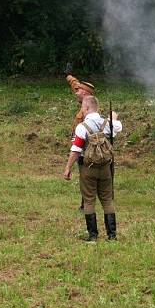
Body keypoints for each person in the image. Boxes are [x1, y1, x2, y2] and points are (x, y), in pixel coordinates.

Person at [63, 95, 122, 241]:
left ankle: (93, 236)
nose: (81, 109)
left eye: (82, 106)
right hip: (106, 168)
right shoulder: (107, 124)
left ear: (87, 108)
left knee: (89, 200)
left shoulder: (82, 127)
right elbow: (118, 127)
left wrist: (68, 168)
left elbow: (76, 149)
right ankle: (112, 235)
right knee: (107, 200)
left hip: (88, 168)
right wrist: (113, 117)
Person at [66, 74, 95, 210]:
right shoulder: (85, 101)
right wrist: (68, 76)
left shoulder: (88, 111)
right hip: (80, 147)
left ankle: (86, 204)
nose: (76, 93)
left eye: (78, 92)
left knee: (86, 177)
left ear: (85, 94)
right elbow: (76, 85)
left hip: (85, 149)